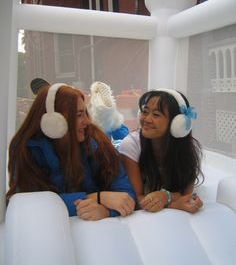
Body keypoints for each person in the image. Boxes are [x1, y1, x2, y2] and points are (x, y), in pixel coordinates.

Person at [7, 83, 136, 220]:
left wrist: (106, 212)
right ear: (54, 121)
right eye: (79, 115)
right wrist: (97, 198)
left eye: (85, 112)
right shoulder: (26, 151)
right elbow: (32, 205)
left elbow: (126, 196)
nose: (87, 121)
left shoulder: (97, 141)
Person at [119, 88, 204, 214]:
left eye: (156, 114)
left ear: (177, 123)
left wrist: (167, 197)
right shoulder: (130, 145)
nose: (147, 119)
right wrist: (170, 200)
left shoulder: (189, 150)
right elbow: (136, 200)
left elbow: (186, 196)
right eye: (145, 111)